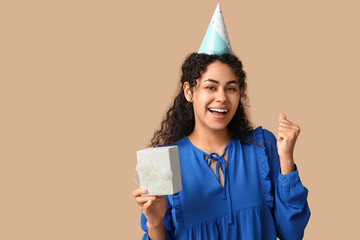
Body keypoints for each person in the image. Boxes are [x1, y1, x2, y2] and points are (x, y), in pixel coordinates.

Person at [132, 4, 310, 240]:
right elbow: (156, 229)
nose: (222, 98)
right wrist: (155, 225)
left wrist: (286, 158)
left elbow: (292, 233)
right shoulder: (163, 160)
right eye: (210, 87)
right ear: (189, 91)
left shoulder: (263, 146)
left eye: (231, 88)